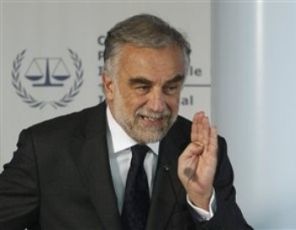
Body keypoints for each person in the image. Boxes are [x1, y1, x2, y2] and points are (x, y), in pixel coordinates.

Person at [0, 14, 252, 230]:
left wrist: (202, 200)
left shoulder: (202, 151)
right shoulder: (46, 150)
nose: (157, 105)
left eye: (171, 87)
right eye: (142, 87)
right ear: (109, 85)